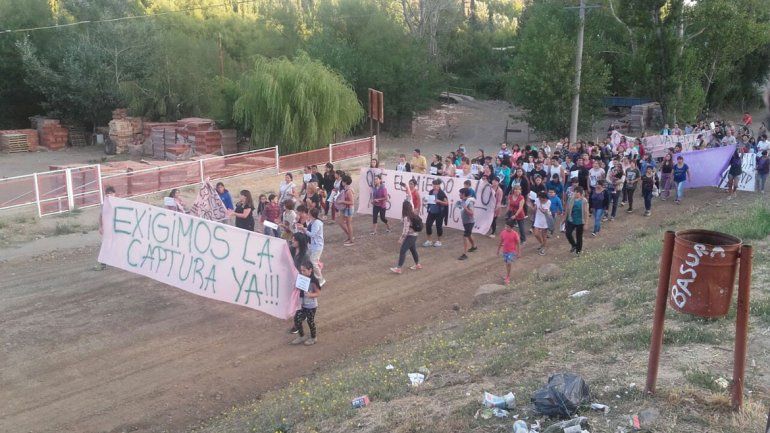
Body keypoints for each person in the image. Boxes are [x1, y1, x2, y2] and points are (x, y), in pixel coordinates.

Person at [290, 260, 321, 346]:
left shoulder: (314, 281)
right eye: (301, 270)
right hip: (302, 305)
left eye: (304, 270)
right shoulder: (301, 278)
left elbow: (318, 293)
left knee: (310, 321)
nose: (302, 272)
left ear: (310, 270)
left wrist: (310, 294)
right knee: (297, 319)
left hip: (311, 306)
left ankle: (313, 338)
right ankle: (302, 336)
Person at [296, 207, 326, 287]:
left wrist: (303, 229)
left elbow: (312, 234)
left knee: (313, 262)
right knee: (312, 261)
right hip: (313, 245)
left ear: (312, 215)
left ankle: (320, 279)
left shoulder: (316, 223)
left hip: (317, 245)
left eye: (309, 213)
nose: (307, 214)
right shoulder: (314, 222)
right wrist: (303, 229)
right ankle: (316, 277)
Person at [390, 201, 422, 274]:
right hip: (415, 235)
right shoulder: (412, 214)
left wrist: (401, 239)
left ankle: (399, 268)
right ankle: (417, 264)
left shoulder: (406, 217)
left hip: (410, 236)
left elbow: (406, 230)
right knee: (413, 250)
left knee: (402, 251)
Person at [95, 186, 117, 271]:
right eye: (107, 194)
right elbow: (100, 216)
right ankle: (103, 264)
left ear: (114, 194)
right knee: (105, 245)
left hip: (116, 229)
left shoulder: (118, 204)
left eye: (111, 193)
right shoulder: (104, 205)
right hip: (107, 229)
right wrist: (100, 227)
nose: (109, 196)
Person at [423, 179, 448, 247]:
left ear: (439, 185)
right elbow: (429, 200)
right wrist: (425, 201)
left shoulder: (442, 193)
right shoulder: (431, 191)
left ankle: (439, 241)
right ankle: (429, 240)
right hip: (432, 211)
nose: (435, 187)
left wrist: (439, 201)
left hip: (440, 212)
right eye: (433, 185)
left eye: (436, 185)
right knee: (428, 224)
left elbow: (446, 203)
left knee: (438, 226)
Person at [565, 186, 589, 255]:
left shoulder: (584, 201)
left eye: (575, 192)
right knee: (568, 233)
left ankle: (578, 251)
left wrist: (586, 223)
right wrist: (565, 218)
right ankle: (574, 245)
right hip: (571, 219)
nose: (574, 193)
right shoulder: (570, 199)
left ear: (579, 193)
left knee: (579, 236)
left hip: (580, 221)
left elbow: (586, 212)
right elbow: (567, 209)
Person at [496, 219, 521, 285]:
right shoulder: (503, 232)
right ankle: (507, 275)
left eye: (507, 227)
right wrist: (498, 250)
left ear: (511, 227)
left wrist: (518, 252)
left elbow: (518, 243)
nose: (506, 228)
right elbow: (501, 241)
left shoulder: (515, 234)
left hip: (511, 252)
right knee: (507, 263)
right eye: (505, 226)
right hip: (505, 251)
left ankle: (508, 277)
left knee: (508, 263)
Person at [457, 188, 477, 260]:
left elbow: (471, 213)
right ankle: (474, 246)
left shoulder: (469, 202)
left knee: (465, 236)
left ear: (464, 194)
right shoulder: (464, 200)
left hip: (469, 222)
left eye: (460, 193)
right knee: (469, 234)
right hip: (467, 222)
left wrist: (465, 208)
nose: (459, 195)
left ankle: (465, 254)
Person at [335, 174, 356, 246]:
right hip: (346, 208)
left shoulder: (349, 190)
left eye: (342, 181)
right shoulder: (347, 189)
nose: (341, 182)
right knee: (341, 222)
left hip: (349, 208)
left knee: (348, 224)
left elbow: (352, 202)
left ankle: (351, 240)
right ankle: (350, 237)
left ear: (345, 182)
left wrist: (342, 201)